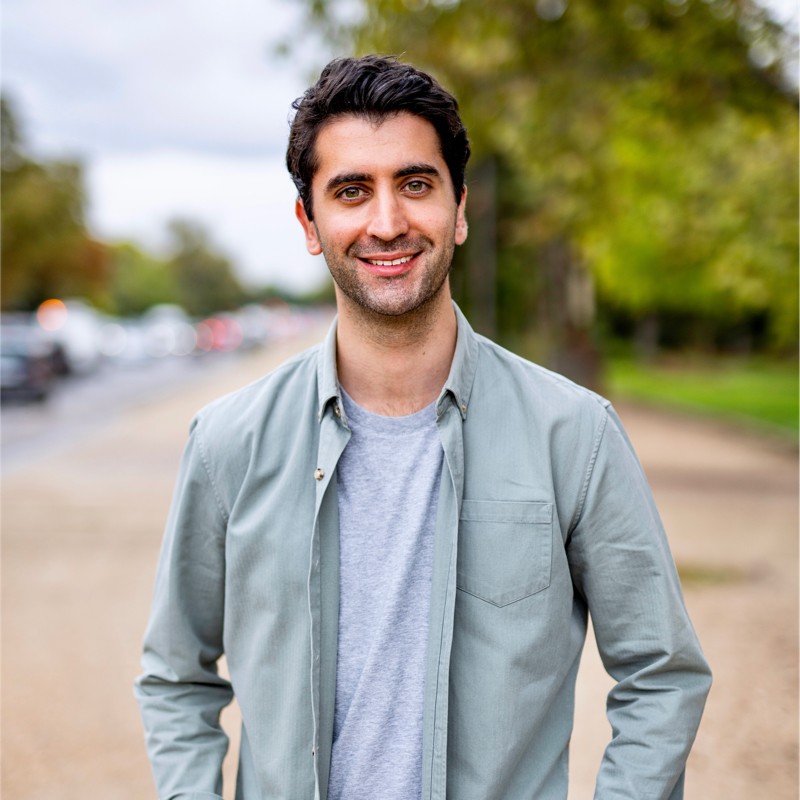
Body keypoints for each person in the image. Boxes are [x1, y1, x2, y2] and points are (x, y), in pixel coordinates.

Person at [135, 55, 711, 800]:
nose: (387, 222)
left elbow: (661, 674)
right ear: (310, 224)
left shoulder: (575, 435)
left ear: (460, 208)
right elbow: (176, 675)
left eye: (415, 183)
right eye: (351, 191)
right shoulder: (226, 444)